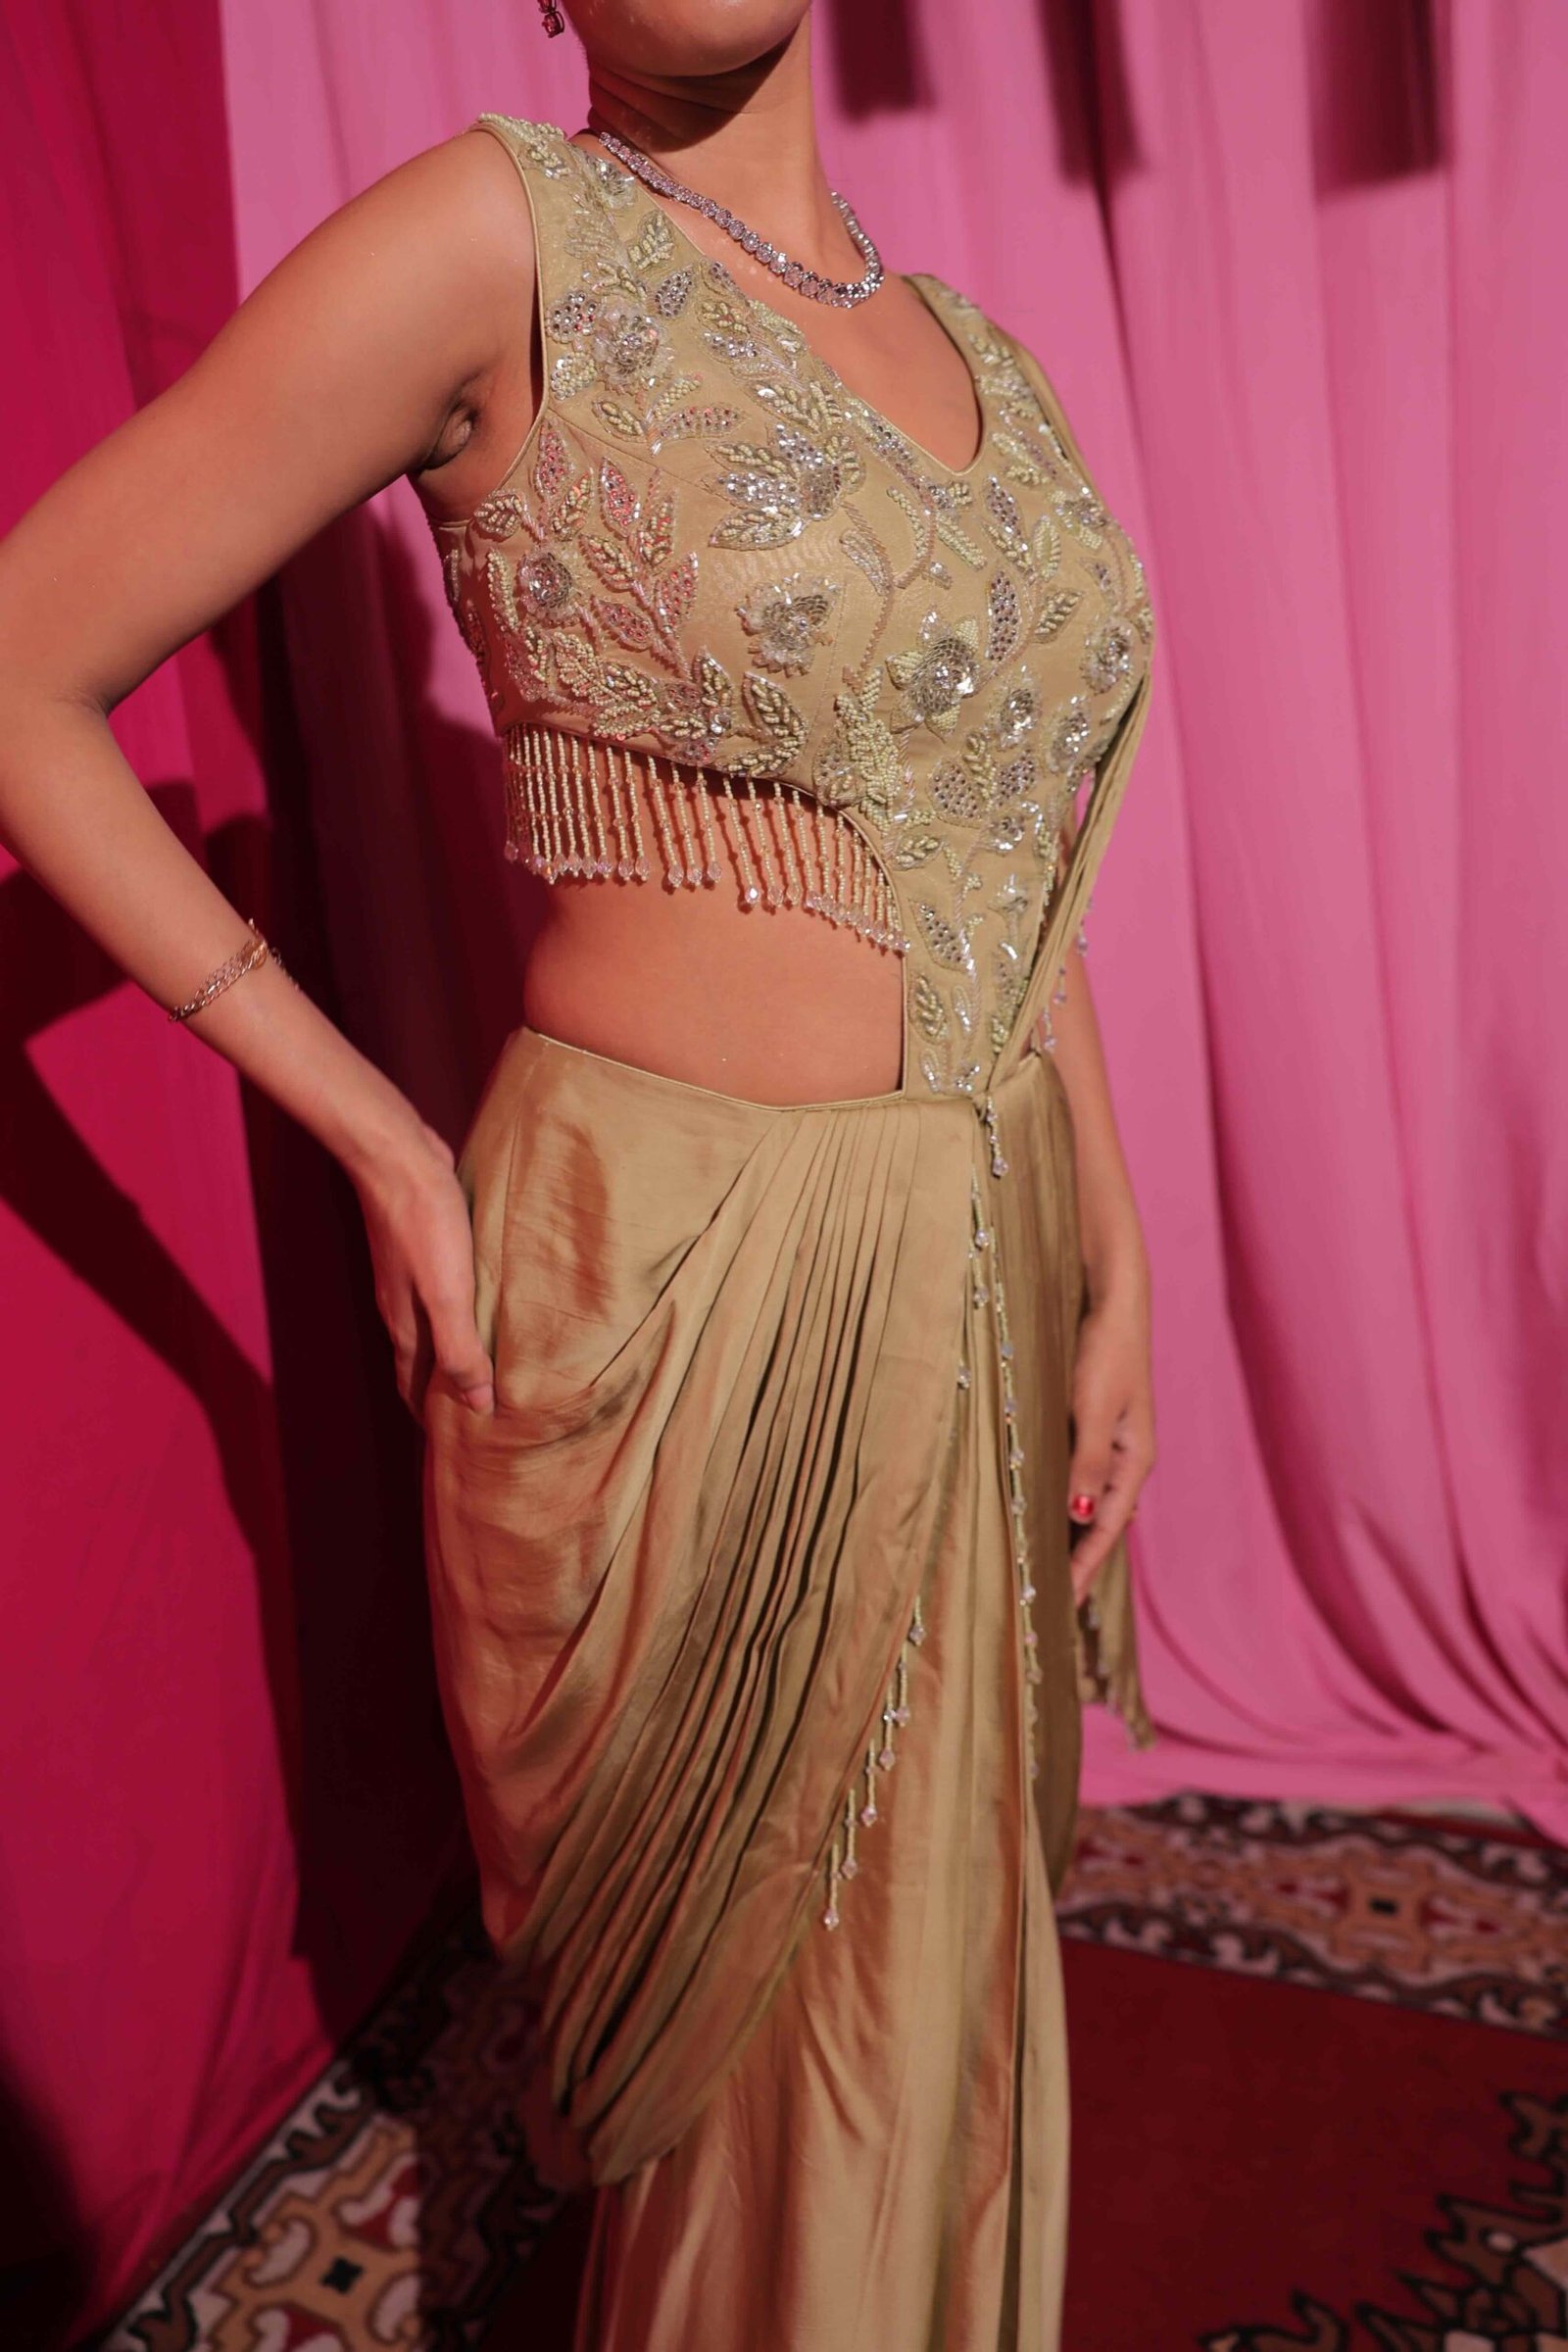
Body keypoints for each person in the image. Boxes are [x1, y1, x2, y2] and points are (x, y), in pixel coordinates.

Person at [0, 2, 1158, 2343]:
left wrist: (1109, 1251)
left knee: (928, 1993)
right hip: (686, 1272)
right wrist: (373, 1137)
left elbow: (995, 850)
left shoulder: (975, 352)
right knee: (780, 2064)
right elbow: (21, 666)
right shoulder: (494, 237)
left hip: (989, 1228)